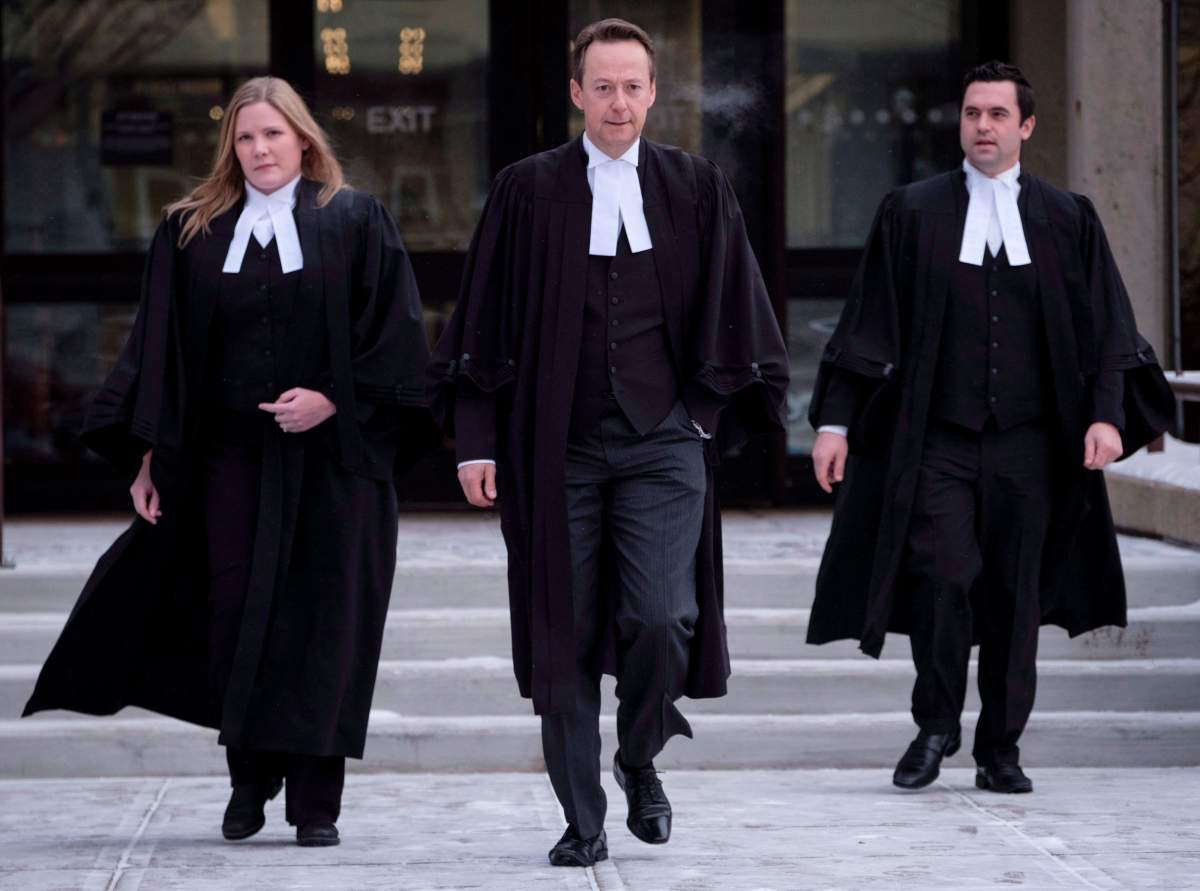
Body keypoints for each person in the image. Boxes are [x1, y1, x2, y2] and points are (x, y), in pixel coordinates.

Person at [23, 76, 434, 846]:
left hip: (331, 464)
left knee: (324, 621)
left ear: (304, 139)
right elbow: (158, 350)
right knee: (236, 613)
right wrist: (147, 454)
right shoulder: (193, 232)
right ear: (230, 147)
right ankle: (249, 779)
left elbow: (397, 338)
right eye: (245, 138)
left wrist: (335, 401)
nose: (259, 149)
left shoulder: (354, 220)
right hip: (226, 461)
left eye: (273, 134)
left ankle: (316, 802)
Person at [428, 18, 787, 868]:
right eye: (603, 85)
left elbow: (738, 311)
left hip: (664, 441)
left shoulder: (695, 186)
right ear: (576, 93)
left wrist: (703, 413)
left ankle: (638, 755)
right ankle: (581, 816)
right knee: (564, 635)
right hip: (553, 448)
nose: (618, 101)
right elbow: (478, 322)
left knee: (661, 619)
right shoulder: (527, 190)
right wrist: (475, 441)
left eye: (633, 85)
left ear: (653, 93)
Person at [806, 61, 1175, 794]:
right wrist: (836, 422)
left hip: (1033, 445)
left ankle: (1000, 747)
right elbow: (869, 322)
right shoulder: (911, 212)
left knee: (1015, 596)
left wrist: (1106, 413)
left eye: (998, 115)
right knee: (943, 576)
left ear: (1026, 126)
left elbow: (1108, 328)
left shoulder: (1068, 218)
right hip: (937, 438)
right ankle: (936, 721)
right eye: (973, 113)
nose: (983, 126)